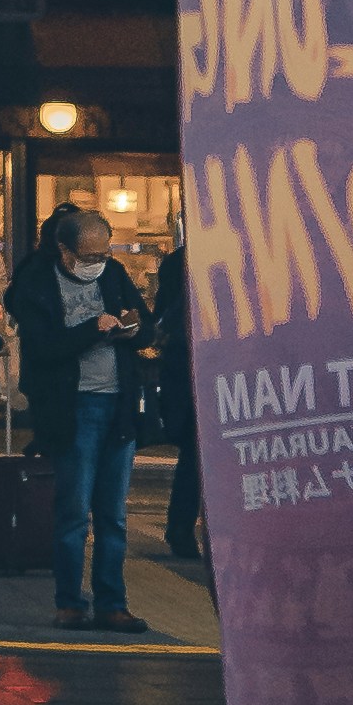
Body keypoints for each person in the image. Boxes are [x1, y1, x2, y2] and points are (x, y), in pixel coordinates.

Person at [18, 188, 154, 626]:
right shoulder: (36, 283)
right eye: (90, 253)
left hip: (119, 404)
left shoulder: (113, 274)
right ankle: (69, 602)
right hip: (73, 406)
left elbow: (146, 326)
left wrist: (133, 328)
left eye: (105, 251)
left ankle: (113, 603)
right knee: (74, 509)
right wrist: (93, 329)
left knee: (113, 512)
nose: (98, 260)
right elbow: (42, 349)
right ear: (64, 249)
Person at [149, 232, 205, 573]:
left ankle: (182, 529)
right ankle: (182, 529)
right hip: (193, 367)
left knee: (193, 456)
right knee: (197, 455)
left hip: (185, 367)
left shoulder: (178, 260)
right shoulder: (183, 262)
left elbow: (162, 317)